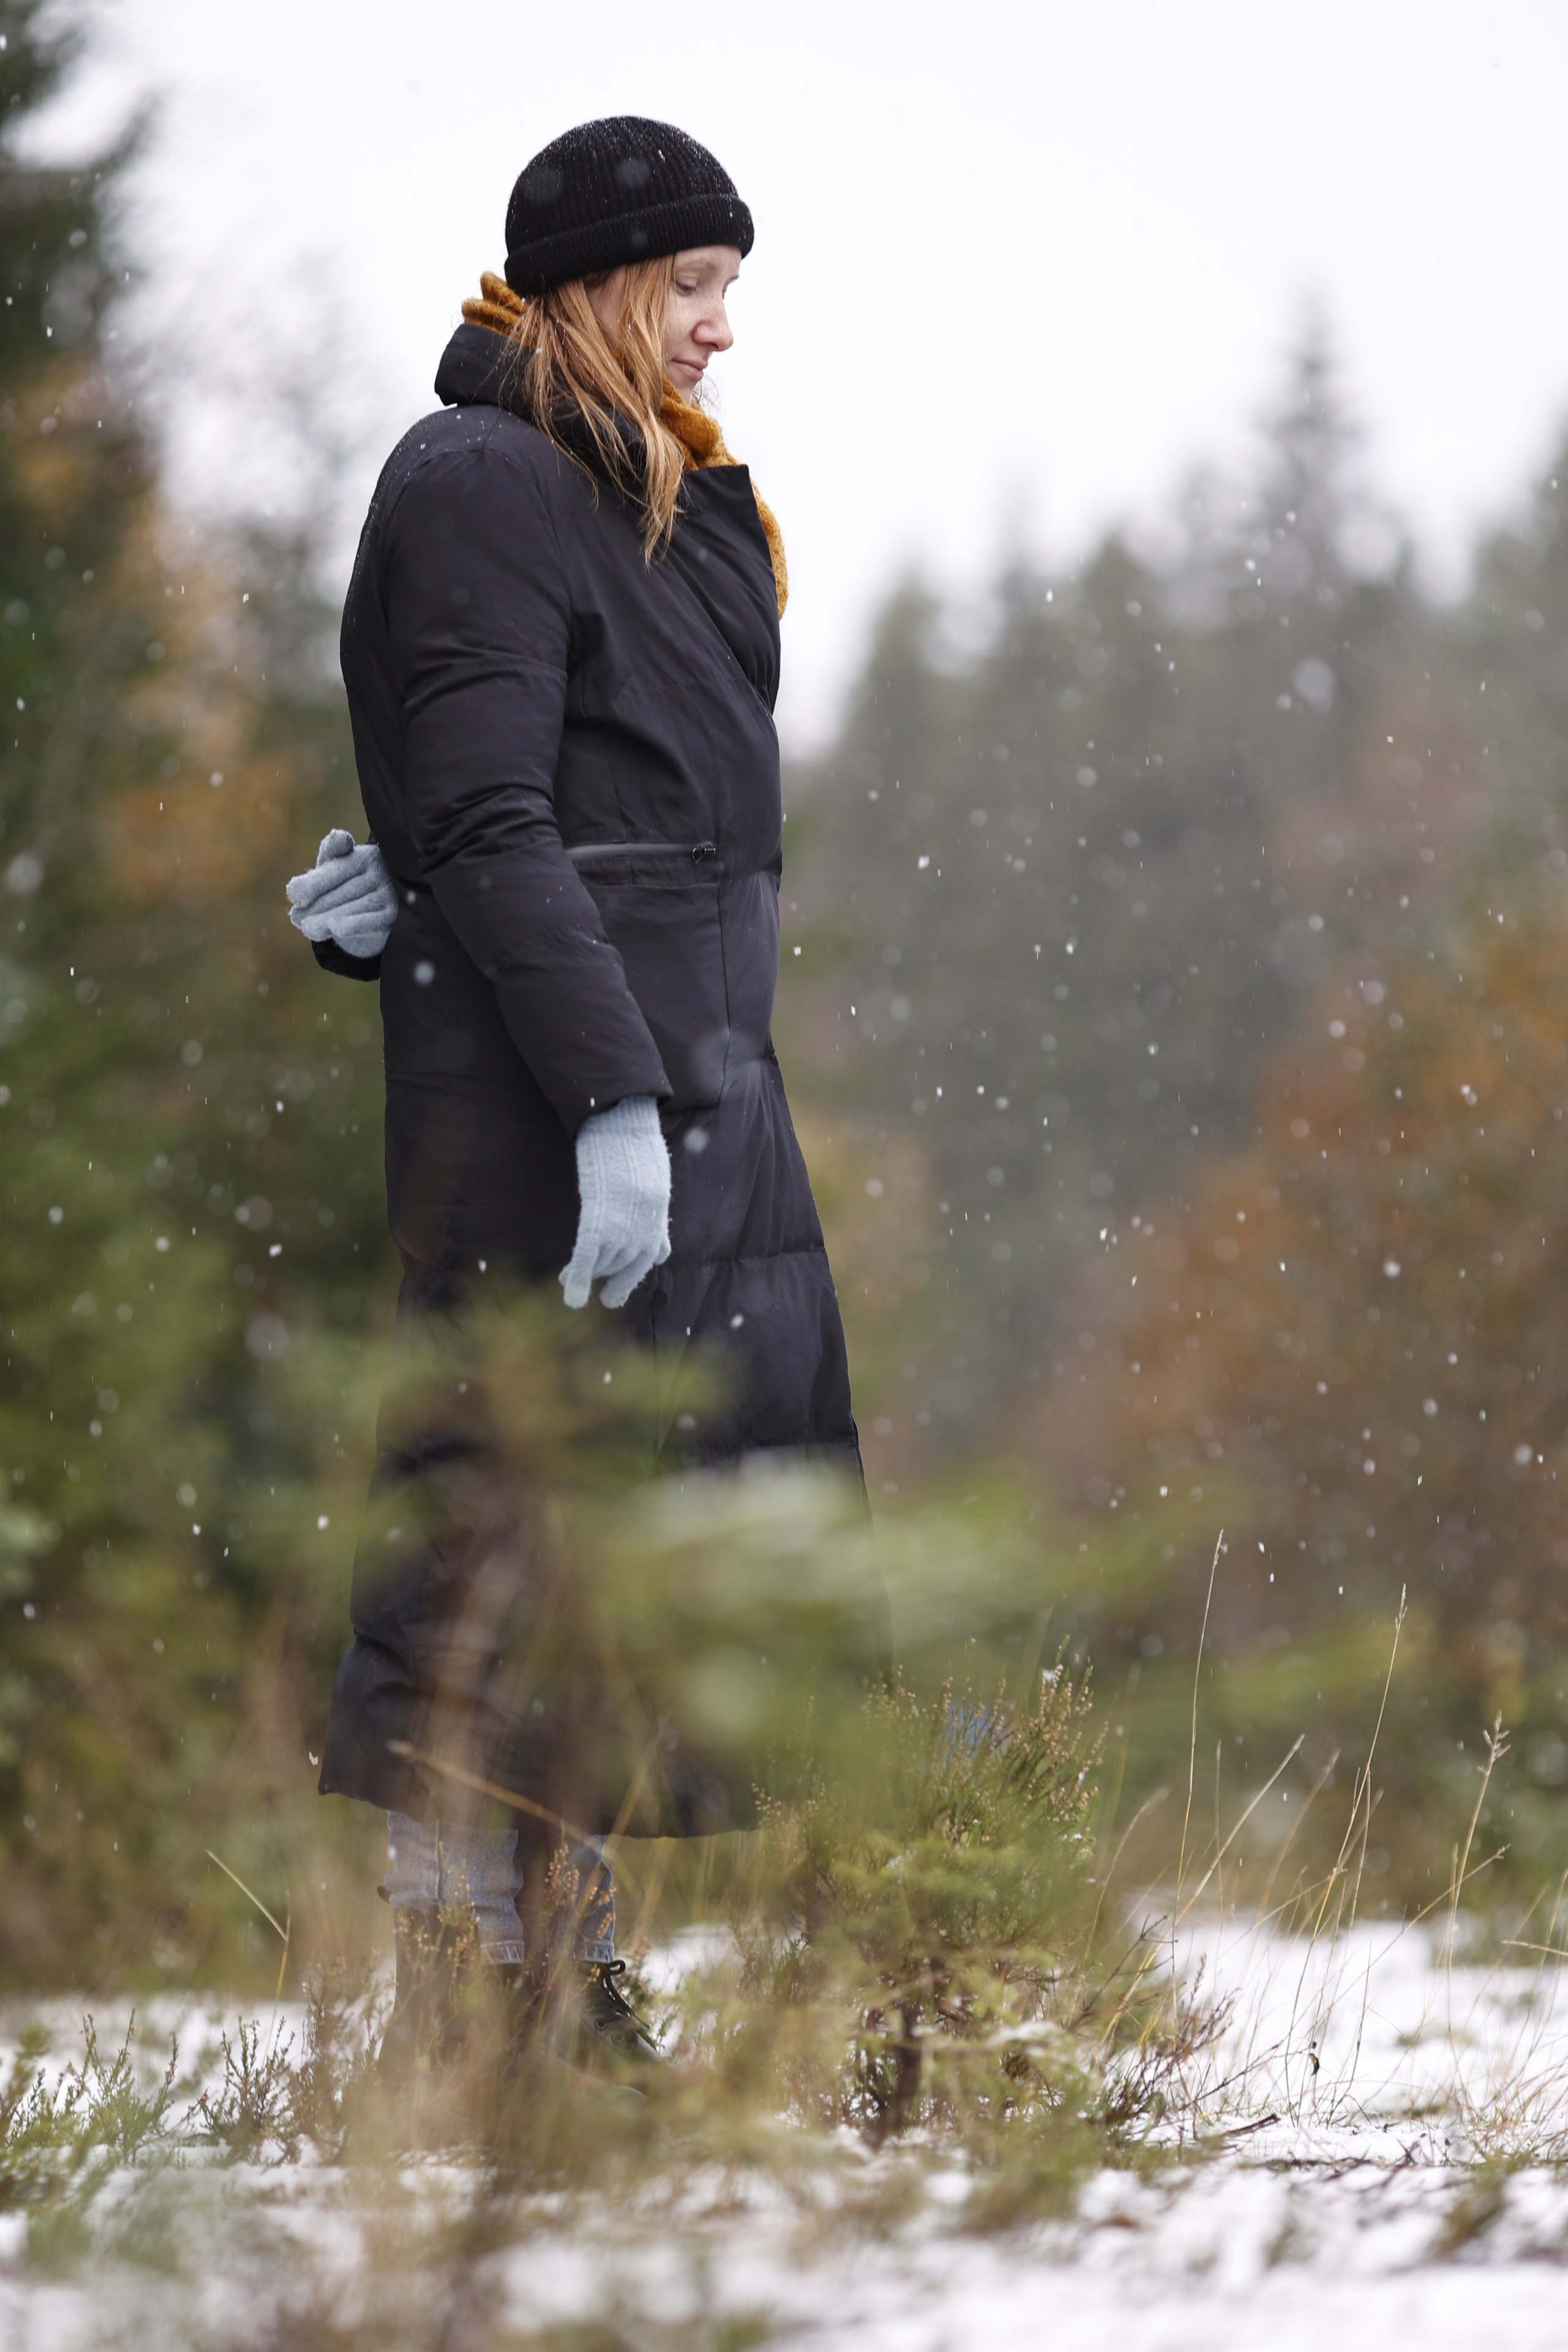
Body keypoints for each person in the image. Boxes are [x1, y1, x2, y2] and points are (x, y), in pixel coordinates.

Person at [285, 117, 862, 2062]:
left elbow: (604, 814)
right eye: (694, 286)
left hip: (695, 1094)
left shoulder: (660, 495)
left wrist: (428, 904)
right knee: (494, 1535)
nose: (722, 328)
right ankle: (470, 1997)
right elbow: (493, 813)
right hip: (565, 1110)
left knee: (623, 1548)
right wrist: (607, 1097)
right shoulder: (482, 479)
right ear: (600, 285)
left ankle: (566, 1965)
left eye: (730, 289)